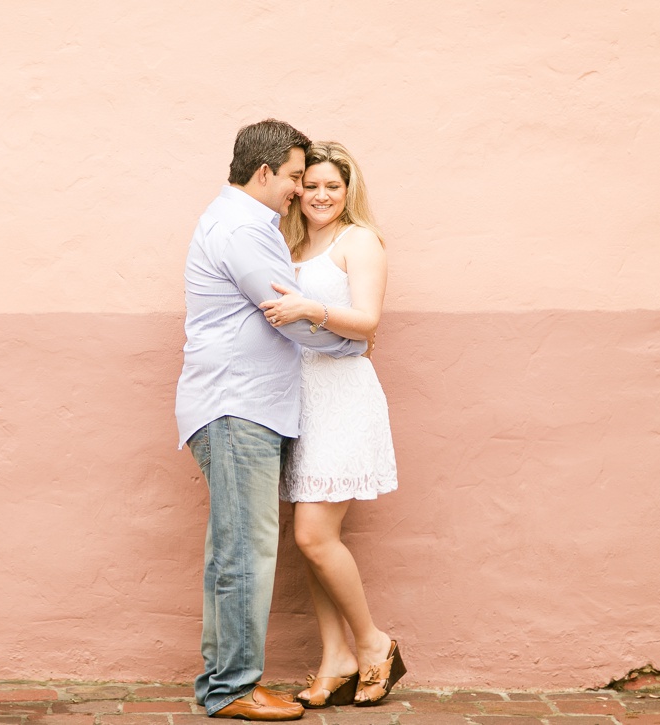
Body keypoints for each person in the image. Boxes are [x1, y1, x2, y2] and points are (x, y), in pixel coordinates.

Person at [175, 121, 368, 721]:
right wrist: (352, 347)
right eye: (291, 177)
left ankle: (223, 682)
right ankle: (233, 688)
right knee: (243, 553)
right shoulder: (242, 228)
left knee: (230, 551)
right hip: (239, 408)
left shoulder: (243, 223)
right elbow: (288, 313)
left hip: (239, 407)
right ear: (265, 173)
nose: (296, 189)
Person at [258, 141, 404, 708]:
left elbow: (366, 322)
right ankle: (335, 656)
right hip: (299, 400)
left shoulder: (358, 241)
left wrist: (308, 308)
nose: (320, 195)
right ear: (296, 189)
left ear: (348, 192)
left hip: (341, 397)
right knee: (316, 541)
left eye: (332, 187)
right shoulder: (291, 242)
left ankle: (373, 644)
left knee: (312, 536)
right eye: (310, 185)